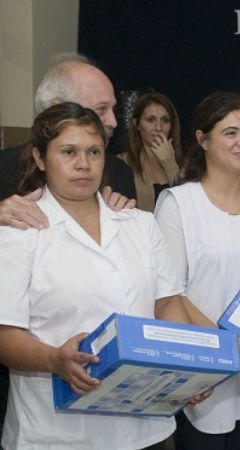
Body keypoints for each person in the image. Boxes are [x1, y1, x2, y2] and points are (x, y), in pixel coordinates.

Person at [0, 102, 198, 449]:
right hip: (56, 433)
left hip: (145, 426)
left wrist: (188, 371)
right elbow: (5, 334)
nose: (83, 164)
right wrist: (54, 360)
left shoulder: (139, 223)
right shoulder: (18, 231)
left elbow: (167, 303)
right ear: (40, 158)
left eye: (94, 151)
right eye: (68, 152)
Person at [155, 92, 240, 450]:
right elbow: (170, 295)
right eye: (230, 132)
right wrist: (228, 345)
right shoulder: (178, 204)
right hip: (204, 369)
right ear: (203, 139)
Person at [0, 52, 136, 229]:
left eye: (113, 109)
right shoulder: (3, 168)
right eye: (101, 109)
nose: (113, 122)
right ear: (56, 109)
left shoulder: (119, 174)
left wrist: (125, 217)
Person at [118, 92, 182, 211]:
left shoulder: (186, 165)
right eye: (151, 120)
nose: (159, 128)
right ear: (136, 124)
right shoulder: (121, 163)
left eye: (165, 120)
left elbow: (188, 204)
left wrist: (169, 163)